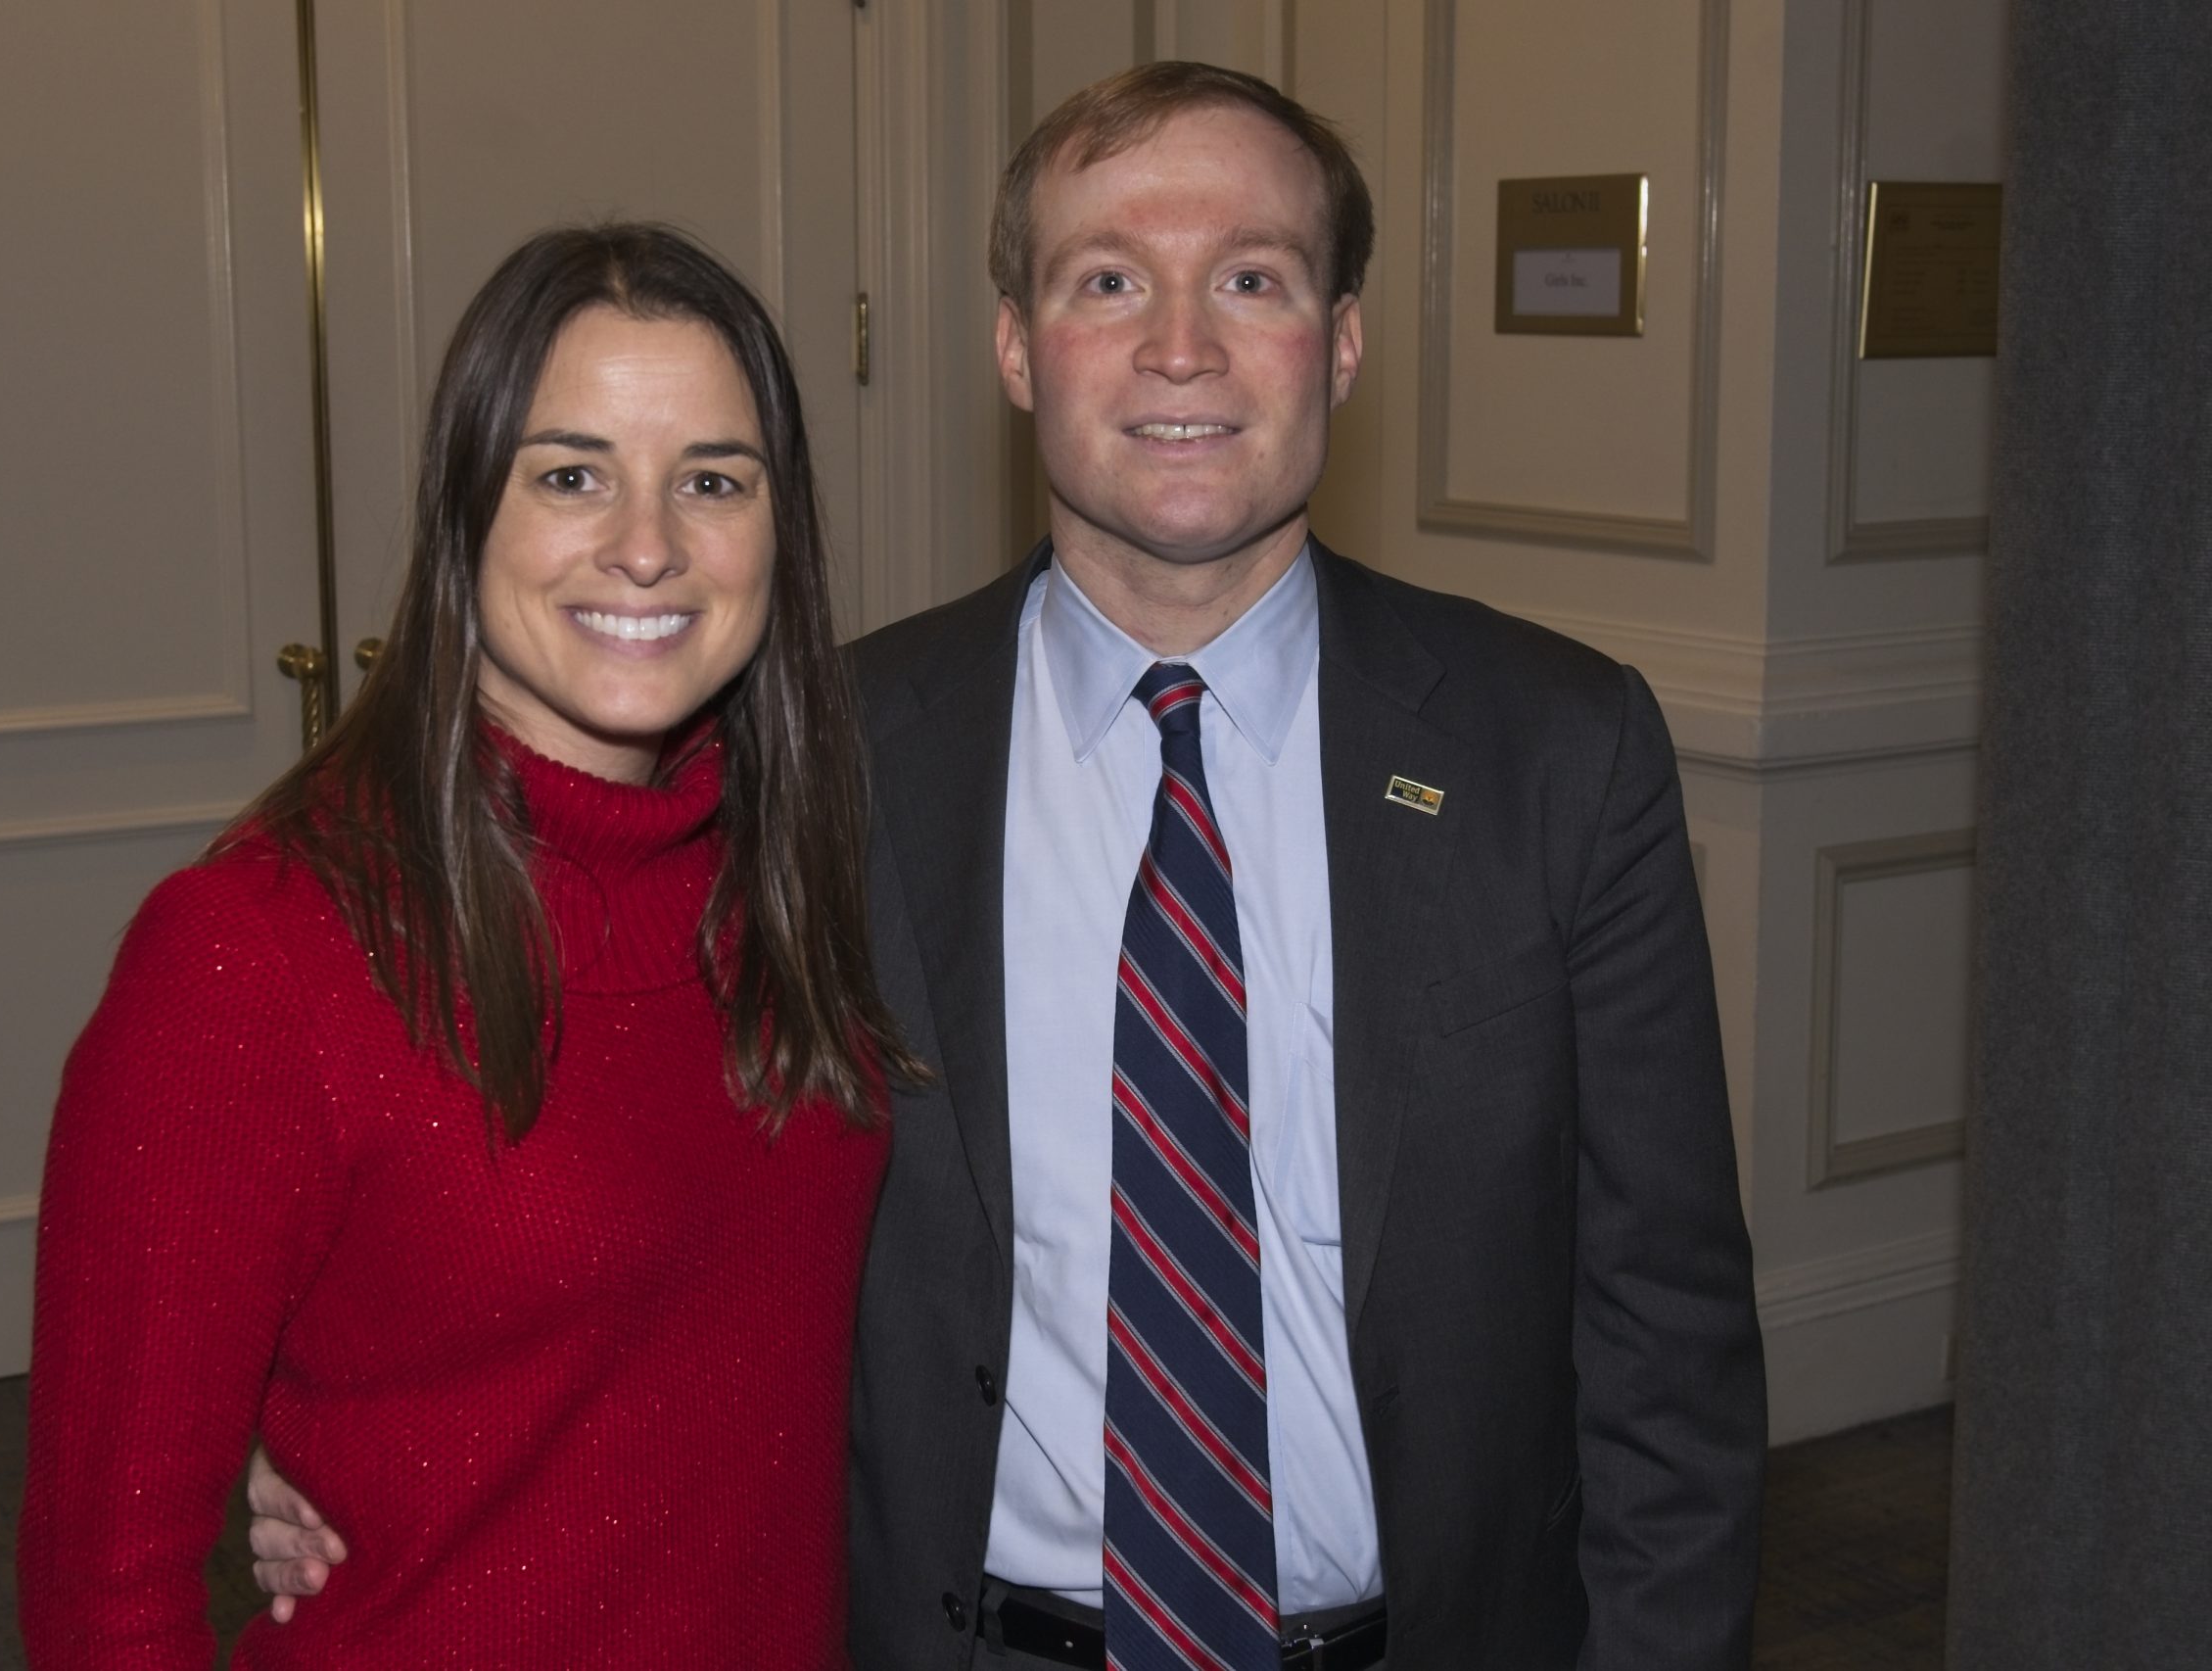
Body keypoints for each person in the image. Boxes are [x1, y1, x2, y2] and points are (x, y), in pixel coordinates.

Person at [251, 63, 1766, 1670]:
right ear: (1016, 349)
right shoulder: (815, 754)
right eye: (1107, 281)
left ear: (1340, 342)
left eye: (1251, 279)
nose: (1179, 345)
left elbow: (1666, 1334)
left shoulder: (1558, 754)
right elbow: (575, 1152)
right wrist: (333, 1410)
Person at [18, 222, 918, 1668]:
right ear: (463, 513)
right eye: (571, 475)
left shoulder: (799, 880)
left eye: (713, 480)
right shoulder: (251, 959)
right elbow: (103, 1595)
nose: (647, 545)